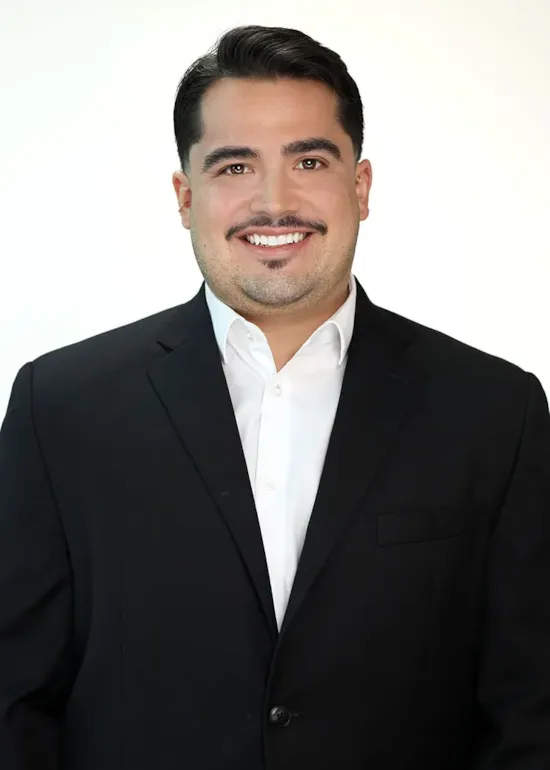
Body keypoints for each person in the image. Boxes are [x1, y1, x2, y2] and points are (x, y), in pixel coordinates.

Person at [0, 23, 549, 770]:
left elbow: (530, 712)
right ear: (185, 197)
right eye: (234, 166)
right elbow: (15, 702)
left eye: (309, 160)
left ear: (360, 186)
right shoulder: (57, 407)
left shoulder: (496, 413)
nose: (274, 201)